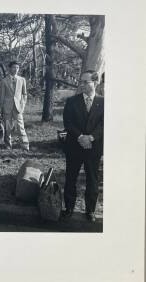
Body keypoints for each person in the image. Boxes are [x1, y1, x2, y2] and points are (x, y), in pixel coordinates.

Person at [62, 71, 104, 223]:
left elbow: (104, 124)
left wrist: (91, 137)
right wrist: (80, 137)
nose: (82, 85)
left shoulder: (104, 102)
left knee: (92, 179)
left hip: (94, 147)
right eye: (81, 81)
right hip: (74, 145)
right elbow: (68, 123)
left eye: (86, 82)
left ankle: (90, 211)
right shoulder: (72, 101)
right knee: (70, 178)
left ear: (95, 82)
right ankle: (68, 208)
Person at [0, 61, 29, 151]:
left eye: (17, 68)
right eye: (14, 67)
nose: (16, 69)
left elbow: (24, 94)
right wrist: (2, 109)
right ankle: (8, 145)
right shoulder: (4, 81)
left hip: (18, 108)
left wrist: (22, 106)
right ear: (9, 68)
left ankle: (25, 145)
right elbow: (2, 96)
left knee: (20, 126)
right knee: (8, 128)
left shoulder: (22, 80)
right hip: (7, 107)